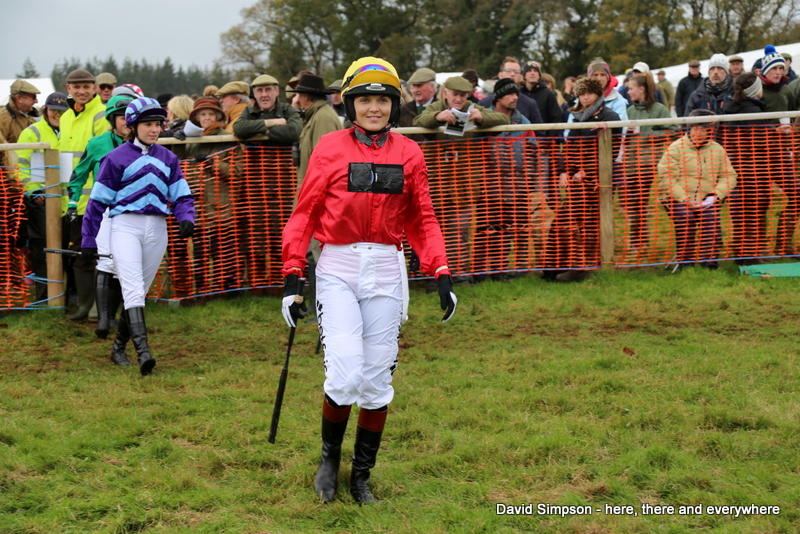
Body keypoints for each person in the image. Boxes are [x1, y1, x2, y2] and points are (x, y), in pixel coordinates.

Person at [281, 56, 456, 504]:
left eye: (382, 100)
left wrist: (440, 269)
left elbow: (423, 218)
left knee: (376, 382)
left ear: (392, 105)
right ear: (351, 103)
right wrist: (292, 274)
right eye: (366, 100)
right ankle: (328, 461)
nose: (374, 108)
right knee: (344, 374)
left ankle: (361, 476)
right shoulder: (330, 148)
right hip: (337, 267)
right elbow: (305, 213)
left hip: (386, 268)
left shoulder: (409, 152)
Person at [81, 97, 195, 375]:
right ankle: (144, 352)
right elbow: (97, 203)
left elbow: (181, 195)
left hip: (157, 228)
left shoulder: (168, 158)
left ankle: (119, 348)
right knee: (131, 288)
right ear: (133, 126)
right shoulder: (115, 158)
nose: (154, 129)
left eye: (158, 124)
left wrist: (186, 217)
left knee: (139, 292)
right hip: (125, 227)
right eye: (148, 124)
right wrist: (88, 240)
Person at [69, 95, 132, 339]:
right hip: (100, 211)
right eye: (121, 117)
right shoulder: (97, 144)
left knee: (121, 261)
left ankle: (106, 311)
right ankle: (86, 305)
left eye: (130, 117)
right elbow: (78, 175)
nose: (127, 122)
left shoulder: (144, 145)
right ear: (111, 119)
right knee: (87, 256)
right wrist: (73, 204)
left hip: (130, 212)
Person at [547, 77, 622, 283]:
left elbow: (611, 152)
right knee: (565, 219)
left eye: (589, 92)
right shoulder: (580, 117)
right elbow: (569, 147)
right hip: (578, 181)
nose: (585, 96)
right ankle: (556, 266)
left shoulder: (611, 117)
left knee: (581, 221)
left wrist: (587, 171)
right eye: (581, 93)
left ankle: (581, 267)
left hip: (599, 181)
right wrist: (564, 170)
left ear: (598, 94)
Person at [233, 74, 303, 289]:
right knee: (256, 231)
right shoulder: (249, 111)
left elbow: (294, 130)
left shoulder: (288, 110)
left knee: (283, 229)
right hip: (254, 185)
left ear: (276, 91)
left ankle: (283, 277)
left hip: (284, 183)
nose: (264, 95)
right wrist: (271, 123)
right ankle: (258, 281)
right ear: (253, 94)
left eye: (268, 90)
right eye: (259, 91)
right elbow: (239, 129)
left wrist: (260, 131)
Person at [656, 109, 737, 270]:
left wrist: (714, 196)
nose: (698, 133)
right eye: (695, 128)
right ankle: (685, 263)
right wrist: (685, 199)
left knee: (711, 218)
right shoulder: (675, 148)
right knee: (687, 219)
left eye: (702, 129)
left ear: (709, 131)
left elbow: (729, 176)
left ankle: (710, 263)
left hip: (706, 200)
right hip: (677, 200)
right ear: (689, 129)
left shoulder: (718, 149)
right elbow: (666, 178)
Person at [60, 69, 111, 321]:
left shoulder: (101, 114)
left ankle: (98, 307)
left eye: (86, 86)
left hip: (97, 201)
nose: (81, 91)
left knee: (101, 256)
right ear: (67, 88)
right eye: (75, 86)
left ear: (94, 88)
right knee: (81, 256)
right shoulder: (66, 117)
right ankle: (84, 305)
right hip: (72, 201)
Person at [15, 92, 68, 303]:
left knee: (68, 250)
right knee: (41, 251)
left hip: (68, 200)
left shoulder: (72, 131)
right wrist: (33, 191)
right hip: (41, 201)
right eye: (53, 109)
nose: (57, 114)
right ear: (45, 109)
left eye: (62, 111)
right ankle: (44, 296)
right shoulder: (31, 133)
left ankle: (68, 296)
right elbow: (19, 166)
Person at [722, 73, 774, 263]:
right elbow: (762, 143)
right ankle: (750, 257)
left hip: (733, 170)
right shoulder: (755, 113)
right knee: (754, 212)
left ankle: (740, 253)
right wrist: (775, 136)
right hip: (754, 171)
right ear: (755, 91)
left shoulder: (727, 110)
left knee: (740, 213)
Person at [623, 74, 679, 252]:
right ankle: (642, 240)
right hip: (630, 164)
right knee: (635, 204)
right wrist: (627, 132)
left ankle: (636, 242)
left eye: (631, 88)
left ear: (642, 89)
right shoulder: (629, 111)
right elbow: (624, 138)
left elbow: (673, 131)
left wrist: (648, 134)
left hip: (647, 164)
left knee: (637, 201)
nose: (628, 91)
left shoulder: (659, 109)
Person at [478, 57, 543, 124]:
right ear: (500, 75)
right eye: (508, 71)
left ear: (520, 76)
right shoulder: (484, 103)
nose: (512, 74)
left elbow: (539, 132)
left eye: (516, 72)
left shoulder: (530, 104)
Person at [0, 80, 40, 169]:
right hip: (9, 178)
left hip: (27, 173)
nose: (36, 101)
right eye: (33, 97)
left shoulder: (30, 117)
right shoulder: (2, 120)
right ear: (19, 98)